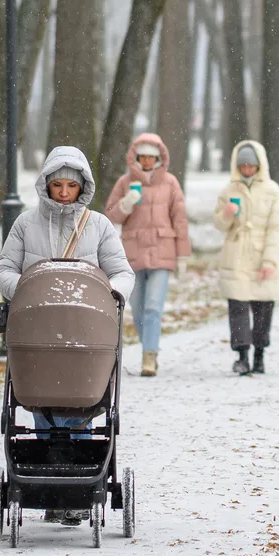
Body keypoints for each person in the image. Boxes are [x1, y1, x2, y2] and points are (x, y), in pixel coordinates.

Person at [0, 146, 134, 526]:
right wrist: (25, 288)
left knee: (81, 397)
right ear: (47, 185)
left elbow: (121, 270)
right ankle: (50, 483)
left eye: (70, 186)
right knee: (43, 395)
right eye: (56, 185)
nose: (63, 192)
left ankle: (75, 485)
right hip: (38, 326)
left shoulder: (99, 225)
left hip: (84, 328)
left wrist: (112, 294)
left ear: (82, 187)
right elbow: (5, 269)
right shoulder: (26, 224)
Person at [105, 133, 191, 378]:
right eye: (142, 157)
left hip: (163, 251)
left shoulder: (171, 183)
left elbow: (180, 220)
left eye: (151, 157)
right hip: (133, 252)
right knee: (138, 307)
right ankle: (148, 346)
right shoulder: (125, 182)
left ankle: (149, 356)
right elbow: (110, 216)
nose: (146, 161)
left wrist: (182, 256)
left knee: (154, 307)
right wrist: (126, 204)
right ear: (135, 157)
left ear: (159, 158)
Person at [214, 139, 279, 377]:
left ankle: (259, 354)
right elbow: (219, 224)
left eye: (251, 166)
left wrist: (270, 261)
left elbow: (277, 228)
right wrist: (227, 215)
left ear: (259, 166)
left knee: (263, 307)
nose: (247, 170)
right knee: (237, 306)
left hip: (261, 254)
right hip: (236, 254)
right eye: (243, 166)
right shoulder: (229, 190)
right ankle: (242, 355)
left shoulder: (272, 191)